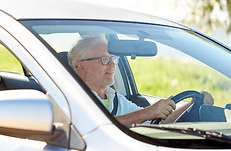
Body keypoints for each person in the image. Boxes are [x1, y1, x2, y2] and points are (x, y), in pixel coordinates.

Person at [68, 35, 214, 127]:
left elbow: (157, 122)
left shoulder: (117, 99)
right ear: (81, 65)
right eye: (104, 59)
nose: (112, 64)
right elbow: (97, 126)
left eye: (113, 58)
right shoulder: (74, 98)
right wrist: (148, 112)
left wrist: (191, 105)